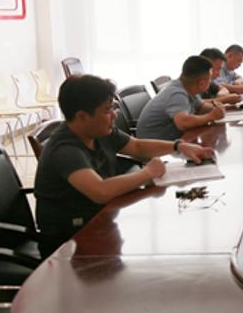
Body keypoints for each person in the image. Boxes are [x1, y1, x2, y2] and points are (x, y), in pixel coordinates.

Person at [34, 75, 213, 257]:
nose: (114, 115)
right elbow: (100, 191)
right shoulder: (65, 149)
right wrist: (147, 173)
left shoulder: (98, 131)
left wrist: (179, 146)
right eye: (107, 110)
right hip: (70, 242)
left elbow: (137, 146)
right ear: (82, 116)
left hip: (102, 219)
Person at [137, 56, 225, 140]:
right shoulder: (177, 94)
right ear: (201, 83)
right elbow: (183, 123)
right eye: (210, 79)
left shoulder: (187, 87)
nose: (211, 82)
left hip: (170, 141)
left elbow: (201, 107)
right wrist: (211, 116)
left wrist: (216, 108)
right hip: (154, 145)